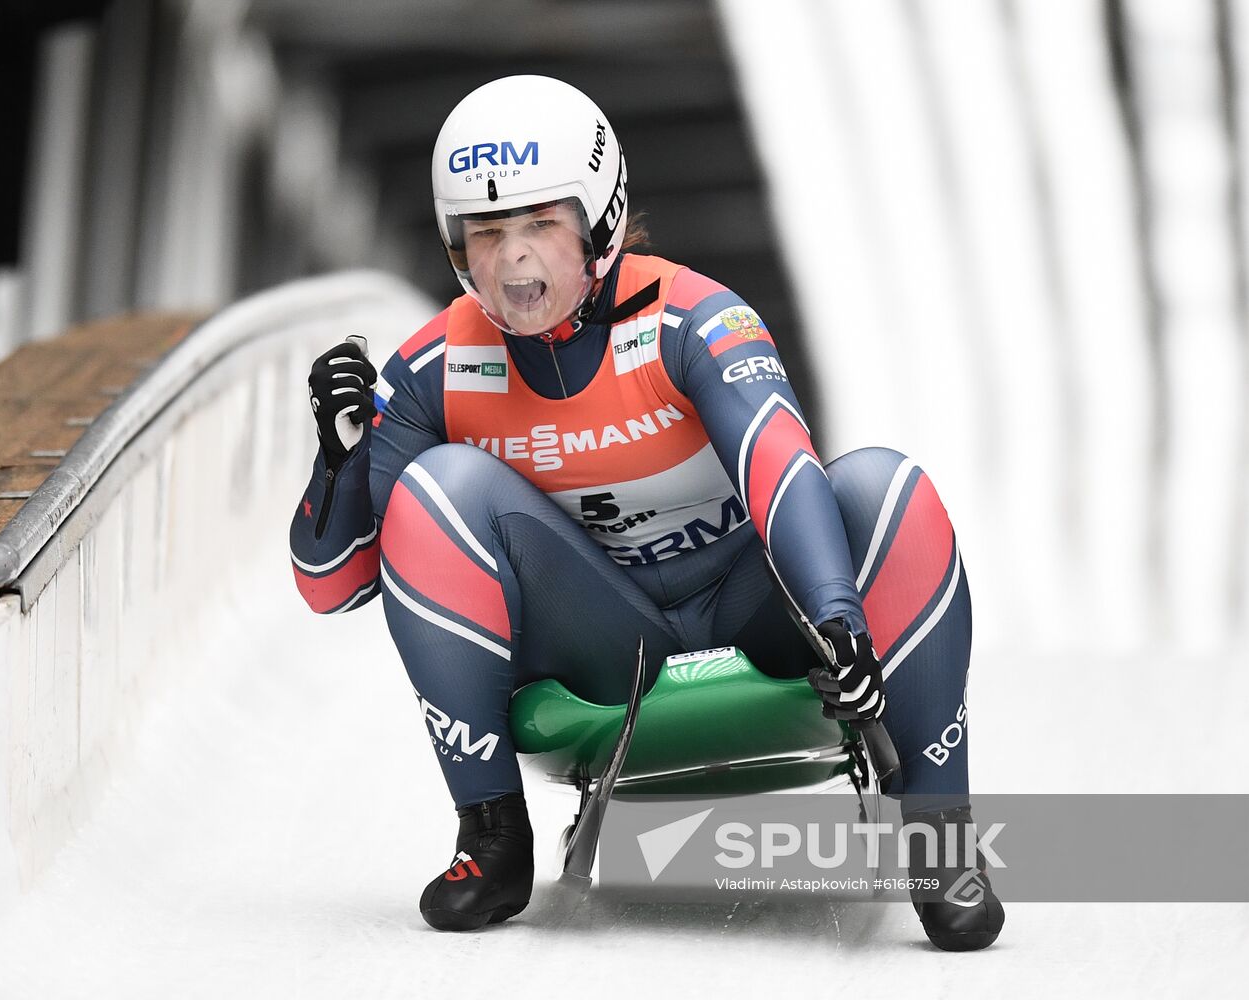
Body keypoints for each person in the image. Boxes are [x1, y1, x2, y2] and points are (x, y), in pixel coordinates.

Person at [289, 75, 1004, 950]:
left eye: (540, 226)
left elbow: (779, 465)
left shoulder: (694, 318)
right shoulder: (434, 365)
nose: (514, 261)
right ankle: (490, 839)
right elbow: (332, 585)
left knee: (886, 487)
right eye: (488, 234)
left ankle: (940, 842)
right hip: (600, 637)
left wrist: (839, 618)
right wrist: (338, 467)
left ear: (598, 221)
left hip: (756, 608)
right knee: (439, 487)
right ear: (455, 246)